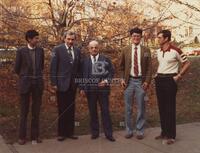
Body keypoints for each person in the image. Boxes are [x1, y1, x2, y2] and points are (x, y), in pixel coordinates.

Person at [155, 30, 190, 144]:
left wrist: (179, 75)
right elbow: (162, 64)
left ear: (166, 38)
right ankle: (164, 132)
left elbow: (187, 63)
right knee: (161, 107)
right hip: (159, 80)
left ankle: (171, 136)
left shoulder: (176, 50)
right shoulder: (158, 51)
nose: (158, 39)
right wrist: (157, 74)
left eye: (160, 37)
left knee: (169, 108)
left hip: (170, 80)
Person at [120, 27, 152, 140]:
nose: (136, 38)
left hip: (140, 82)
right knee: (128, 108)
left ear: (141, 37)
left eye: (138, 36)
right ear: (131, 37)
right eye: (134, 36)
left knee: (141, 107)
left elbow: (149, 68)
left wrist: (147, 81)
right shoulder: (125, 50)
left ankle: (139, 130)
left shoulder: (146, 50)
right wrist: (122, 79)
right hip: (129, 82)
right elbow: (122, 67)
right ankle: (129, 130)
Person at [80, 40, 115, 142]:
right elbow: (81, 75)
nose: (94, 49)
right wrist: (82, 88)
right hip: (90, 90)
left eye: (96, 47)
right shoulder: (84, 61)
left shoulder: (105, 59)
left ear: (98, 48)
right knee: (93, 112)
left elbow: (111, 72)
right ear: (89, 49)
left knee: (105, 111)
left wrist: (106, 81)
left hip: (103, 90)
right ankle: (95, 132)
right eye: (92, 48)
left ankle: (108, 134)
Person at [50, 31, 81, 141]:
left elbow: (78, 69)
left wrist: (79, 83)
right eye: (68, 39)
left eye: (72, 39)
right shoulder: (57, 50)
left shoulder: (77, 51)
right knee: (62, 109)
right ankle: (61, 133)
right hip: (61, 84)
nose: (70, 41)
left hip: (73, 85)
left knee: (71, 109)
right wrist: (54, 83)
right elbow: (53, 68)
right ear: (64, 39)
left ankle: (70, 133)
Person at [15, 30, 44, 145]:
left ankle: (35, 136)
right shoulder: (21, 51)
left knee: (36, 111)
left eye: (38, 38)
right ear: (29, 39)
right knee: (24, 111)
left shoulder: (41, 51)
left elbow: (41, 66)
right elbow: (17, 69)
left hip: (37, 85)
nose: (37, 40)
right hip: (25, 85)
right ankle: (22, 137)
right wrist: (25, 77)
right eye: (36, 38)